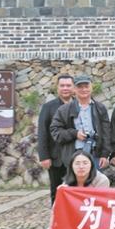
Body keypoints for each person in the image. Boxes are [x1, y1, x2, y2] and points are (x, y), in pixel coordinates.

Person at [50, 74, 111, 173]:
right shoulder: (64, 110)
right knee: (76, 183)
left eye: (86, 86)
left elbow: (106, 132)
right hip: (74, 156)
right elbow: (55, 131)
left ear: (91, 87)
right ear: (74, 89)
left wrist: (105, 154)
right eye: (80, 87)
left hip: (96, 154)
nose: (84, 89)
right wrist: (74, 134)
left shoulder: (100, 108)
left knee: (96, 181)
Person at [38, 73, 74, 204]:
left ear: (73, 87)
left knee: (75, 191)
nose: (65, 88)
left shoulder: (79, 105)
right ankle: (56, 216)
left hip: (76, 156)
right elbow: (42, 132)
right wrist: (44, 156)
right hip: (55, 157)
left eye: (68, 85)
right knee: (57, 191)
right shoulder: (48, 107)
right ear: (57, 88)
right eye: (62, 85)